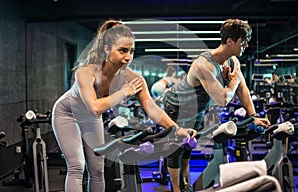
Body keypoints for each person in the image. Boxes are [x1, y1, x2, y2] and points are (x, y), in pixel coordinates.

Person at [51, 19, 197, 192]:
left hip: (91, 118)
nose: (128, 57)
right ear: (107, 49)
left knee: (97, 168)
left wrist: (177, 129)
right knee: (77, 165)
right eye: (122, 51)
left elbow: (151, 108)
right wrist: (123, 92)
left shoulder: (132, 77)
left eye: (131, 51)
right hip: (66, 113)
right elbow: (95, 107)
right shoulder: (86, 72)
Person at [163, 19, 271, 192]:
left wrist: (254, 117)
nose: (245, 46)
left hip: (198, 108)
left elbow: (241, 88)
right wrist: (233, 81)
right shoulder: (203, 64)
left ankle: (186, 185)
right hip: (177, 105)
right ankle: (176, 189)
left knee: (189, 146)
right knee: (176, 148)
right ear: (230, 41)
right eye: (242, 42)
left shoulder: (233, 61)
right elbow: (223, 99)